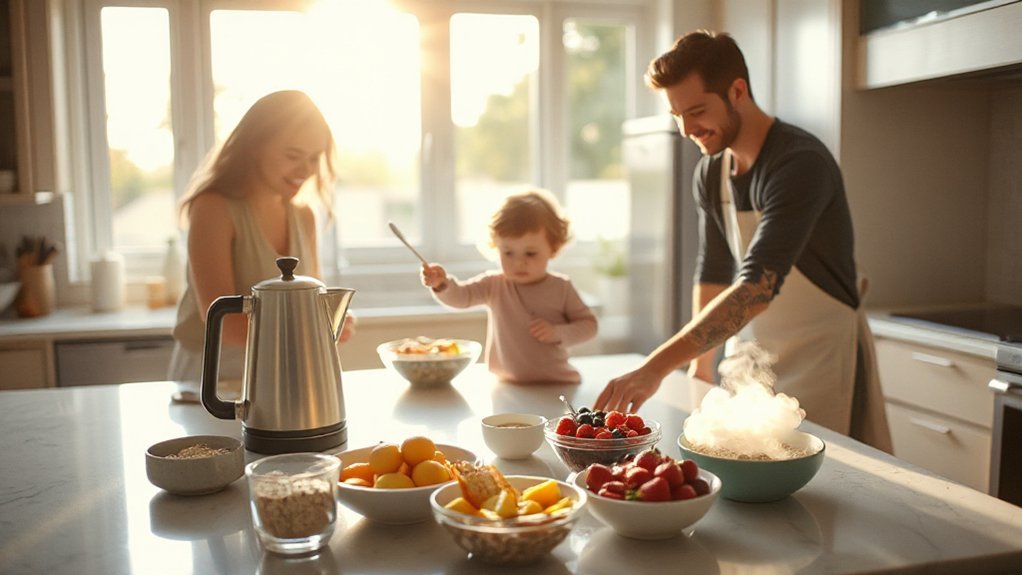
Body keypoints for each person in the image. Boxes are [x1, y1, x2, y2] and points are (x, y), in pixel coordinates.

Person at [595, 31, 890, 451]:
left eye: (696, 111)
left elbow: (755, 289)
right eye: (677, 115)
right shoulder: (711, 171)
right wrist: (699, 368)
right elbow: (713, 270)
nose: (686, 130)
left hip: (824, 359)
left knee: (831, 486)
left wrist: (652, 369)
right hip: (751, 361)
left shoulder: (799, 163)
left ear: (737, 91)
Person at [168, 90, 354, 402]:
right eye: (293, 156)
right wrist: (312, 334)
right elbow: (224, 323)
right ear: (254, 147)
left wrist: (331, 321)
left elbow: (311, 304)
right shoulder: (213, 208)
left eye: (313, 158)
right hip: (212, 377)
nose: (306, 170)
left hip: (283, 371)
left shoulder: (304, 216)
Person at [420, 189, 598, 383]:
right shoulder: (493, 285)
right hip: (507, 384)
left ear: (553, 249)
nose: (518, 263)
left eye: (530, 253)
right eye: (508, 253)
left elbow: (589, 326)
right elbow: (461, 297)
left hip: (557, 384)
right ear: (496, 248)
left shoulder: (561, 287)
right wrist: (441, 284)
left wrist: (557, 332)